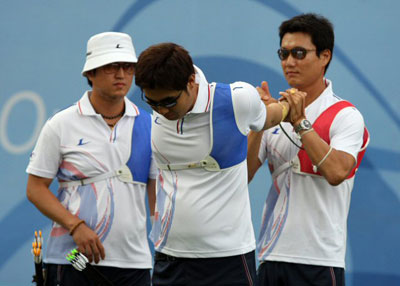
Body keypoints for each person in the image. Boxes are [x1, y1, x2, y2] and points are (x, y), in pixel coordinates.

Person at [134, 42, 290, 286]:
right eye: (152, 103)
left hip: (228, 260)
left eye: (169, 102)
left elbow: (268, 117)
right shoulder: (160, 103)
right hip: (170, 258)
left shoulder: (236, 100)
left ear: (190, 82)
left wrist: (288, 107)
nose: (162, 110)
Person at [247, 13, 369, 285]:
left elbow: (337, 171)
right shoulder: (274, 113)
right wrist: (258, 122)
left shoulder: (345, 115)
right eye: (284, 53)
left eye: (299, 53)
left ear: (325, 56)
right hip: (271, 256)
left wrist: (300, 122)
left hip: (318, 261)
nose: (289, 62)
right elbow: (243, 174)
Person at [26, 32, 156, 286]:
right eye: (111, 67)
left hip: (135, 263)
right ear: (91, 73)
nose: (121, 75)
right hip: (72, 258)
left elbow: (155, 195)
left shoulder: (150, 124)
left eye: (128, 67)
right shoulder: (61, 124)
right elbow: (35, 188)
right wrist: (75, 226)